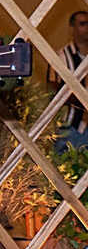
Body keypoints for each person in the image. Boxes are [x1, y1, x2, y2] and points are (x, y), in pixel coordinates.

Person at [47, 10, 88, 151]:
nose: (87, 28)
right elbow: (53, 88)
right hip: (68, 127)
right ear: (72, 28)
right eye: (83, 24)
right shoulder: (62, 56)